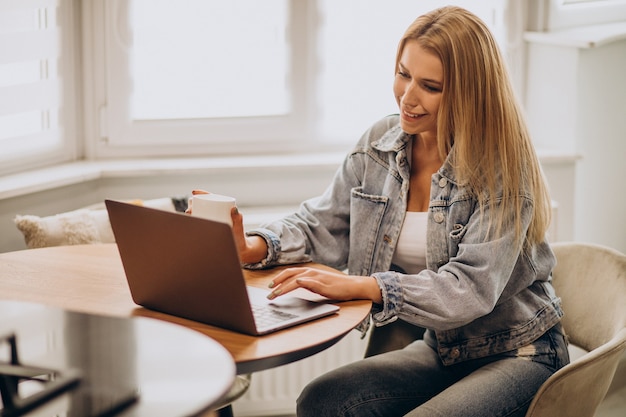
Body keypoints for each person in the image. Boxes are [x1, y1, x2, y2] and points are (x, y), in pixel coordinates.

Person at [191, 5, 569, 416]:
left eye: (430, 86)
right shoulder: (381, 144)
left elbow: (469, 290)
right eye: (404, 74)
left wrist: (366, 287)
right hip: (444, 349)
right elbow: (326, 222)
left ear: (469, 93)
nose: (407, 96)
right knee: (324, 401)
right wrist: (254, 246)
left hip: (520, 351)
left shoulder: (502, 170)